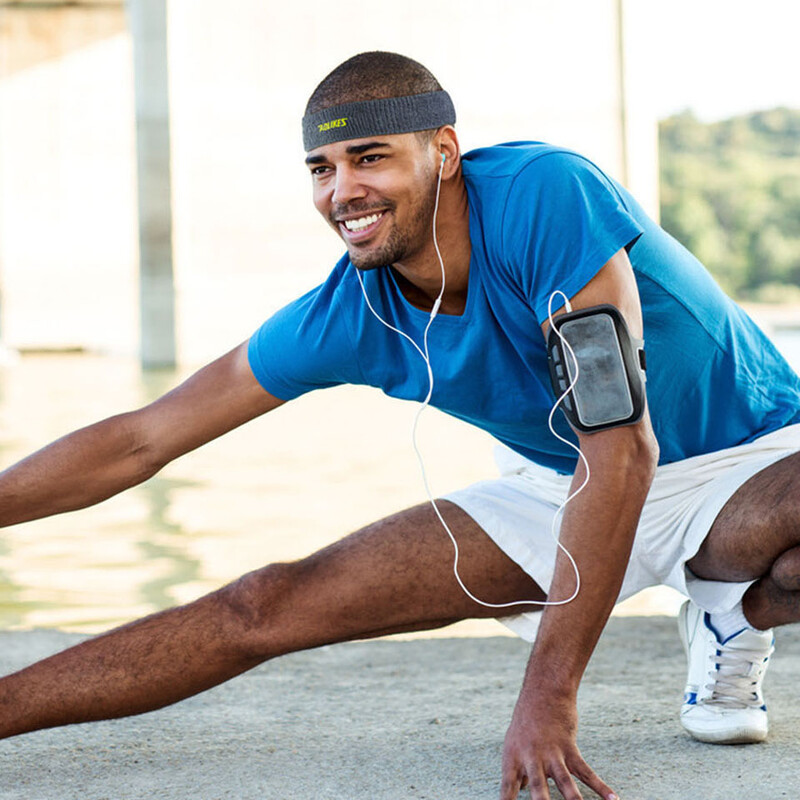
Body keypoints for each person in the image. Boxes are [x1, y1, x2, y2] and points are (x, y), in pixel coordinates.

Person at [1, 50, 799, 800]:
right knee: (263, 604)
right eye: (323, 168)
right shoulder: (348, 314)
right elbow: (140, 440)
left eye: (370, 157)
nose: (342, 191)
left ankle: (740, 609)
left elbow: (621, 443)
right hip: (561, 486)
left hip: (749, 462)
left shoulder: (543, 195)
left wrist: (548, 696)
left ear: (443, 152)